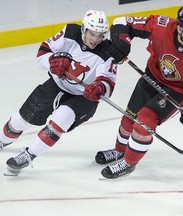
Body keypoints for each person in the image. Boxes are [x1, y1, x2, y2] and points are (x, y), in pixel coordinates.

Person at [95, 5, 183, 179]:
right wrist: (122, 41)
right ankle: (119, 152)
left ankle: (128, 163)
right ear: (179, 28)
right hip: (151, 78)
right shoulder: (161, 26)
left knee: (144, 122)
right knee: (128, 119)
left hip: (178, 90)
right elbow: (122, 23)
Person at [0, 10, 117, 176]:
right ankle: (2, 141)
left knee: (61, 117)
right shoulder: (69, 32)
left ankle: (28, 155)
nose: (95, 39)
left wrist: (99, 88)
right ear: (84, 29)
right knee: (20, 120)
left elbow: (109, 83)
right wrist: (52, 61)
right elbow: (41, 55)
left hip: (83, 97)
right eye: (92, 33)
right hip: (55, 85)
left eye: (100, 35)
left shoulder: (108, 51)